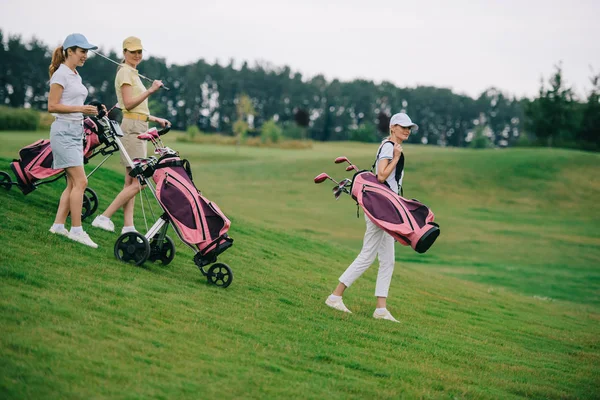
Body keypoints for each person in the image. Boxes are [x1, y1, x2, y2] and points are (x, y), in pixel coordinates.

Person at [325, 112, 418, 322]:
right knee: (368, 255)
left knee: (388, 260)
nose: (406, 130)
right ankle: (335, 296)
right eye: (402, 126)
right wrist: (395, 157)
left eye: (409, 128)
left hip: (387, 209)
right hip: (381, 210)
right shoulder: (388, 147)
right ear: (392, 127)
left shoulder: (391, 146)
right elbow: (382, 176)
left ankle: (381, 309)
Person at [92, 36, 169, 234]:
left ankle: (128, 227)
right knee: (140, 181)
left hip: (138, 125)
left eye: (139, 52)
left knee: (131, 181)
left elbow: (138, 108)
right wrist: (151, 90)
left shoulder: (132, 73)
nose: (137, 55)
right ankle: (104, 217)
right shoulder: (125, 72)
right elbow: (128, 105)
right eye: (133, 51)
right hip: (133, 129)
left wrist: (155, 119)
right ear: (124, 53)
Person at [47, 33, 102, 248]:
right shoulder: (60, 75)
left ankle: (58, 226)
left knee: (72, 183)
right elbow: (52, 106)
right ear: (69, 51)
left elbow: (74, 103)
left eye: (87, 52)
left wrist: (92, 110)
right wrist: (81, 108)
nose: (85, 55)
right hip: (63, 132)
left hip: (75, 132)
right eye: (82, 51)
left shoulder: (74, 75)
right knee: (81, 182)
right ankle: (77, 230)